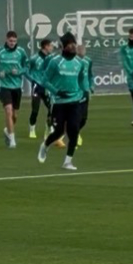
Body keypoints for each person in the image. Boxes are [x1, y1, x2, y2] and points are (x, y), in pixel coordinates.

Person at [39, 33, 89, 171]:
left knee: (74, 130)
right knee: (59, 131)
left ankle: (67, 162)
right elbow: (44, 80)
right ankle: (45, 145)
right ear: (64, 46)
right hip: (59, 102)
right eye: (70, 44)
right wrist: (56, 91)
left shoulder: (79, 63)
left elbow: (81, 79)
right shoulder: (55, 62)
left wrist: (84, 91)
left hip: (75, 101)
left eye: (74, 44)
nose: (73, 46)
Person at [0, 31, 28, 148]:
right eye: (10, 41)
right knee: (8, 111)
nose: (12, 43)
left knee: (15, 116)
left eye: (14, 41)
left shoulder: (21, 52)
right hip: (4, 86)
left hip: (16, 86)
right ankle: (12, 140)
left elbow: (27, 66)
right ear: (6, 40)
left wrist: (19, 71)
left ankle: (7, 130)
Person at [25, 39, 54, 139]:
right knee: (35, 109)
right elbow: (25, 70)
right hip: (37, 87)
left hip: (47, 87)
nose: (52, 48)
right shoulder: (34, 58)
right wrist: (32, 80)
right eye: (50, 46)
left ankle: (50, 127)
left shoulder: (51, 59)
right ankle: (32, 129)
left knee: (52, 108)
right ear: (45, 46)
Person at [74, 43, 94, 147]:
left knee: (84, 118)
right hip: (76, 92)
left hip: (85, 92)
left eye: (83, 49)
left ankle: (76, 132)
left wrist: (91, 86)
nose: (82, 51)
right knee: (77, 115)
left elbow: (90, 74)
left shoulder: (88, 61)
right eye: (80, 49)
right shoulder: (74, 62)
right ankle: (74, 135)